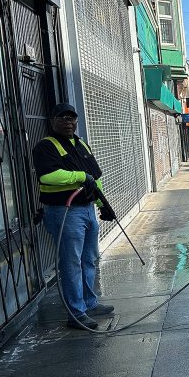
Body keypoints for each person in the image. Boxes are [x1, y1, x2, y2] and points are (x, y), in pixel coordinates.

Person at [32, 103, 115, 330]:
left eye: (72, 118)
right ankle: (76, 312)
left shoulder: (81, 145)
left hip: (87, 210)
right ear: (52, 121)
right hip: (64, 212)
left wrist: (102, 203)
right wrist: (80, 176)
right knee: (71, 263)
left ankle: (89, 303)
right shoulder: (46, 147)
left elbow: (95, 177)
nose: (68, 122)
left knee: (89, 259)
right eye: (63, 118)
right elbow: (49, 176)